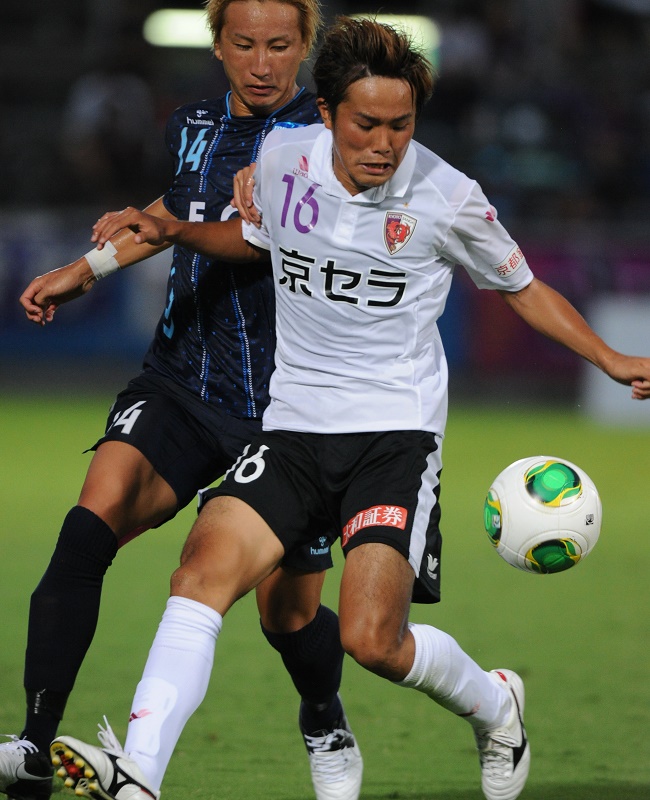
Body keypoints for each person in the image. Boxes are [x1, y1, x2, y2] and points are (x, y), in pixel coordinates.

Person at [39, 14, 650, 800]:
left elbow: (523, 289)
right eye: (367, 124)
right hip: (293, 426)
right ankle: (140, 775)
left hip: (394, 438)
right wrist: (174, 229)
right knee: (200, 574)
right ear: (326, 114)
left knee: (372, 641)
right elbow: (254, 241)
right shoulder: (280, 157)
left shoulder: (447, 196)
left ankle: (496, 703)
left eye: (402, 124)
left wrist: (611, 359)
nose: (385, 144)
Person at [5, 3, 365, 800]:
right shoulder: (192, 124)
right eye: (245, 44)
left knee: (287, 616)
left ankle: (324, 715)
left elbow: (256, 239)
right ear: (217, 46)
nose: (262, 63)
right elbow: (171, 210)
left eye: (280, 45)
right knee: (87, 526)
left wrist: (168, 231)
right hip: (180, 379)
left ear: (306, 47)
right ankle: (32, 746)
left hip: (285, 406)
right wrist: (86, 269)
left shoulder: (327, 138)